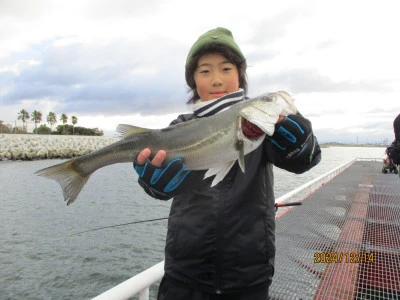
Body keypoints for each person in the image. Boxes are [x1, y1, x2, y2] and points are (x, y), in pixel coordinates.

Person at [133, 27, 321, 300]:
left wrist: (299, 144)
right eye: (205, 71)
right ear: (193, 80)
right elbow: (163, 187)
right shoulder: (180, 127)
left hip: (248, 277)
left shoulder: (259, 127)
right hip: (185, 274)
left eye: (226, 69)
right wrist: (154, 184)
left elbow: (306, 162)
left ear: (240, 76)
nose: (217, 80)